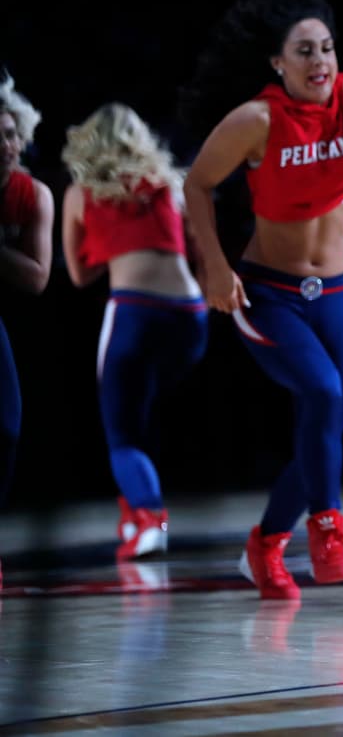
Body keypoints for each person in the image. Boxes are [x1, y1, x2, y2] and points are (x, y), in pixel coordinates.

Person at [180, 0, 343, 599]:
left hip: (335, 291)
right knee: (323, 392)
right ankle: (326, 526)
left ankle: (265, 544)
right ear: (278, 63)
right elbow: (196, 185)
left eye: (327, 48)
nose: (320, 60)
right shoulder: (257, 120)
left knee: (327, 420)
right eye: (304, 51)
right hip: (269, 293)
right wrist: (214, 266)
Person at [61, 103, 209, 560]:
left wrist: (112, 243)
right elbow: (203, 252)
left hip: (136, 312)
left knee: (121, 429)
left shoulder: (81, 193)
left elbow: (79, 275)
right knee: (142, 411)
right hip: (190, 316)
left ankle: (148, 519)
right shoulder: (170, 184)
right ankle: (134, 512)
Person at [0, 74, 53, 585]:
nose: (6, 145)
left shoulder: (32, 194)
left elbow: (38, 278)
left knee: (7, 428)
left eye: (11, 134)